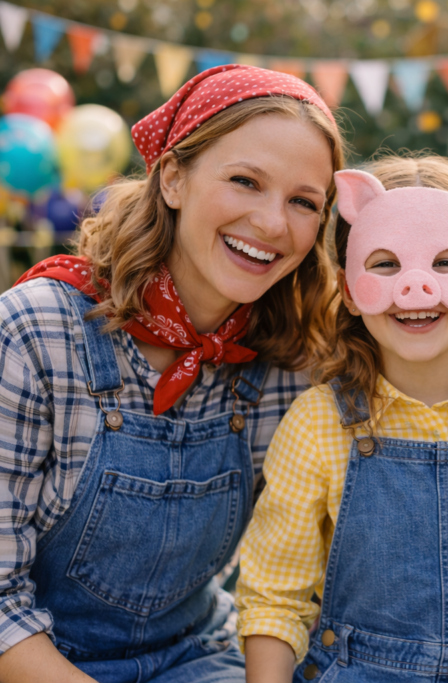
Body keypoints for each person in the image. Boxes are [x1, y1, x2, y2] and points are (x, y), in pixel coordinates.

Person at [0, 65, 345, 683]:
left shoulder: (293, 362)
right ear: (174, 178)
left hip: (196, 658)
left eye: (303, 202)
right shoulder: (35, 330)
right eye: (245, 181)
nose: (272, 223)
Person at [235, 154, 448, 683]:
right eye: (385, 264)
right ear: (348, 288)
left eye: (446, 263)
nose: (416, 288)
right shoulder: (319, 424)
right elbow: (276, 596)